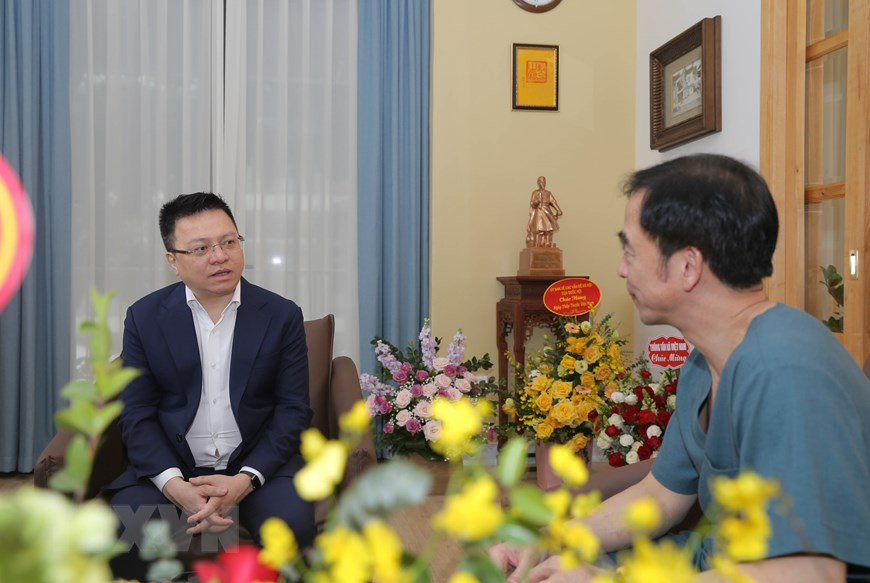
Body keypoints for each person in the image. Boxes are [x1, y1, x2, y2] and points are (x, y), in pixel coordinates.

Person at [492, 154, 870, 582]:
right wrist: (552, 541)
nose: (620, 269)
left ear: (688, 267)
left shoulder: (785, 371)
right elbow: (660, 495)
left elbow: (810, 573)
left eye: (630, 251)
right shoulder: (702, 362)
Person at [106, 192, 315, 579]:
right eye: (201, 248)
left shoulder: (282, 315)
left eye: (228, 242)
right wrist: (174, 487)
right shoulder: (145, 317)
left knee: (293, 528)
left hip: (255, 463)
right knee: (123, 531)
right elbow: (136, 413)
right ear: (173, 261)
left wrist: (243, 482)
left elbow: (292, 411)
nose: (219, 256)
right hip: (175, 464)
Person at [526, 176, 563, 247]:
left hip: (547, 212)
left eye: (544, 182)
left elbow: (553, 202)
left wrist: (558, 210)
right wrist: (537, 202)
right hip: (539, 212)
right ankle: (537, 245)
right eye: (541, 182)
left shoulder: (548, 193)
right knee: (539, 230)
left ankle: (547, 244)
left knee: (548, 230)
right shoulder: (535, 193)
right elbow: (532, 203)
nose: (542, 183)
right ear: (538, 183)